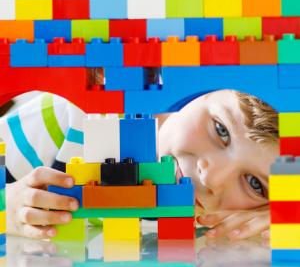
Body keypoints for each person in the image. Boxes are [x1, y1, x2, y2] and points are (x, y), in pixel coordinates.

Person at [0, 88, 278, 240]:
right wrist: (6, 207)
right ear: (202, 88)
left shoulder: (241, 224)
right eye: (221, 130)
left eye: (255, 184)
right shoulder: (73, 114)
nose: (212, 177)